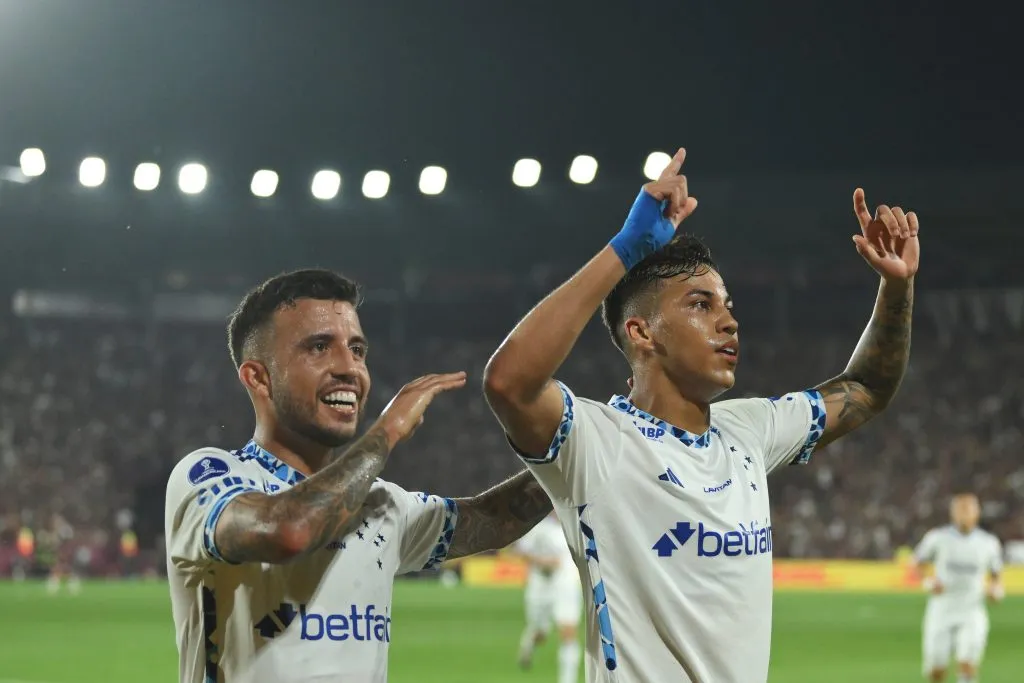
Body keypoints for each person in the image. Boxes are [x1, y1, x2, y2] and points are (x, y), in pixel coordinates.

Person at [482, 147, 919, 682]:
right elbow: (509, 382)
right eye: (700, 305)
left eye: (727, 305)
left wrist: (895, 287)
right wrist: (626, 250)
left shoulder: (749, 429)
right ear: (641, 333)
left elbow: (867, 387)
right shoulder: (596, 443)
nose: (730, 322)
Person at [164, 269, 552, 683]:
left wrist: (570, 453)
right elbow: (287, 530)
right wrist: (384, 433)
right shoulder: (211, 477)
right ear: (258, 377)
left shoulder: (380, 503)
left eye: (357, 349)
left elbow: (492, 520)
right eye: (318, 347)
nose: (349, 367)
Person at [911, 493, 1004, 683]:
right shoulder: (937, 537)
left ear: (977, 513)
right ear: (952, 513)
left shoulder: (988, 543)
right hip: (941, 610)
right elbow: (917, 563)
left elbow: (995, 574)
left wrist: (995, 591)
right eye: (960, 509)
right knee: (936, 670)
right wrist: (928, 582)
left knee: (967, 664)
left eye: (968, 509)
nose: (964, 514)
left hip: (972, 611)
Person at [510, 511, 583, 683]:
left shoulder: (577, 524)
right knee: (541, 633)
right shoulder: (537, 528)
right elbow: (519, 550)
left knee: (568, 629)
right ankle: (529, 643)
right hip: (540, 584)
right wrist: (541, 561)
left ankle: (567, 680)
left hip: (565, 581)